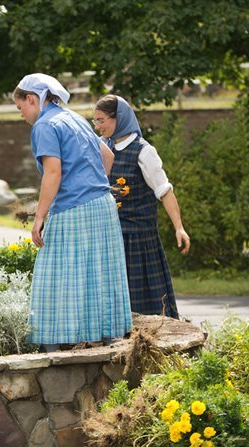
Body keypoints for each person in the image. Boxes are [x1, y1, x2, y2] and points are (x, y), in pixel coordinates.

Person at [13, 73, 132, 351]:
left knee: (58, 275)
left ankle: (57, 345)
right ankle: (105, 339)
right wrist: (91, 186)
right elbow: (108, 157)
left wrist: (39, 217)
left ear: (33, 99)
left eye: (21, 108)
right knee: (97, 272)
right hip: (102, 204)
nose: (21, 115)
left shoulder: (44, 126)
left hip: (73, 208)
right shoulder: (74, 118)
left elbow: (53, 173)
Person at [93, 95, 190, 318]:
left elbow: (164, 191)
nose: (97, 127)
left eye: (101, 121)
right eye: (95, 122)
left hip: (139, 240)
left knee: (147, 306)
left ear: (118, 118)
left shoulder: (144, 151)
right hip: (111, 236)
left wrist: (179, 227)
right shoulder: (104, 148)